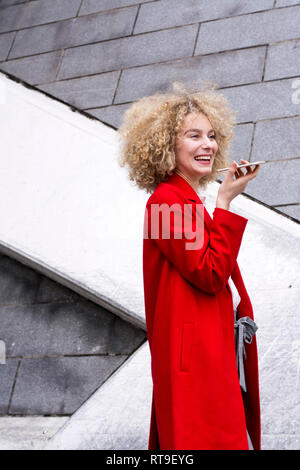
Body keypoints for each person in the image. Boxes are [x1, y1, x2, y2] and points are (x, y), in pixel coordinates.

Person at [118, 82, 261, 450]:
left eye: (212, 136)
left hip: (206, 353)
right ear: (167, 144)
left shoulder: (184, 199)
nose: (208, 145)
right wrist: (225, 201)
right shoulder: (167, 202)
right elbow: (211, 273)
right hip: (197, 361)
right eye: (193, 135)